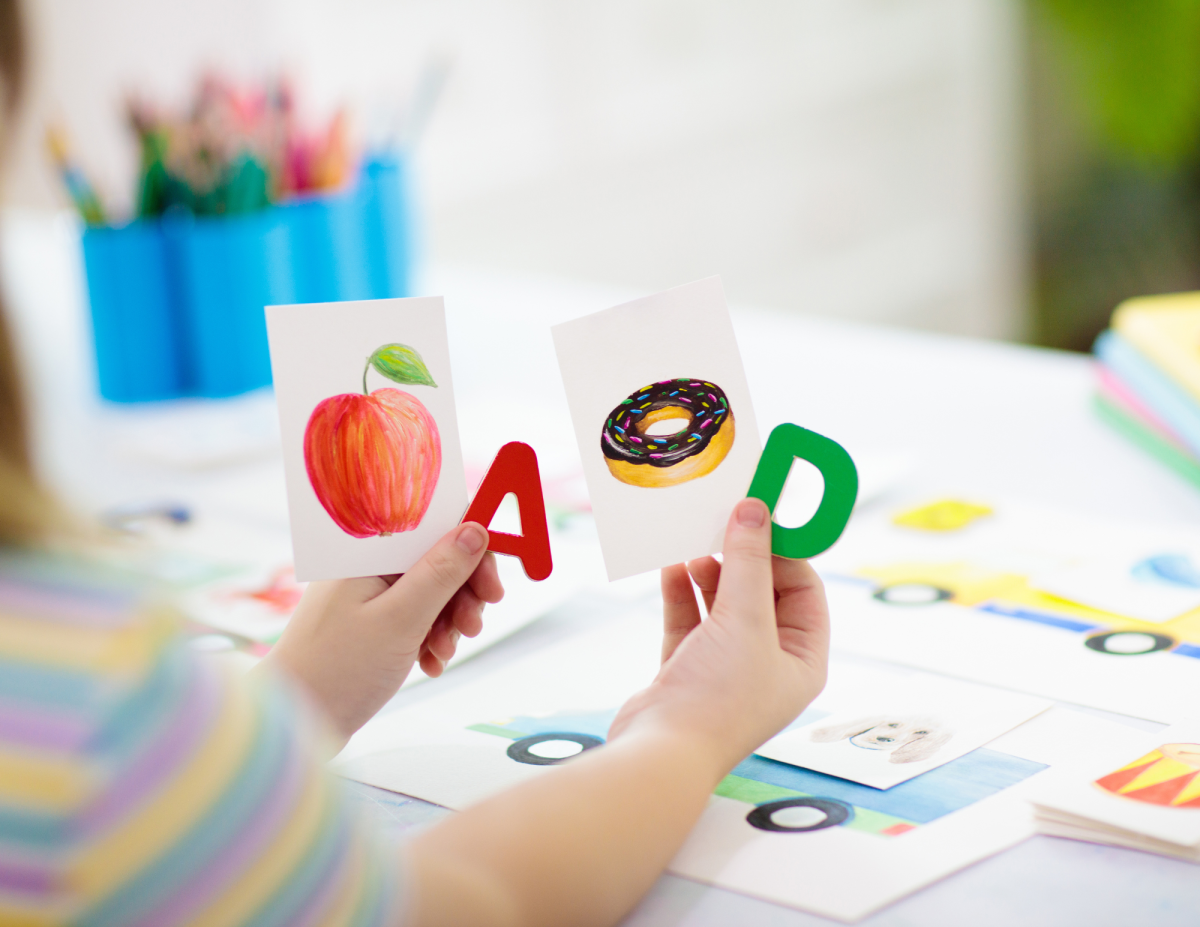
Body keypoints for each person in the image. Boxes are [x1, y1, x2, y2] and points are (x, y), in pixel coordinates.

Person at [0, 6, 830, 925]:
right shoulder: (93, 696)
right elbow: (459, 908)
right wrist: (690, 726)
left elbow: (153, 843)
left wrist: (296, 698)